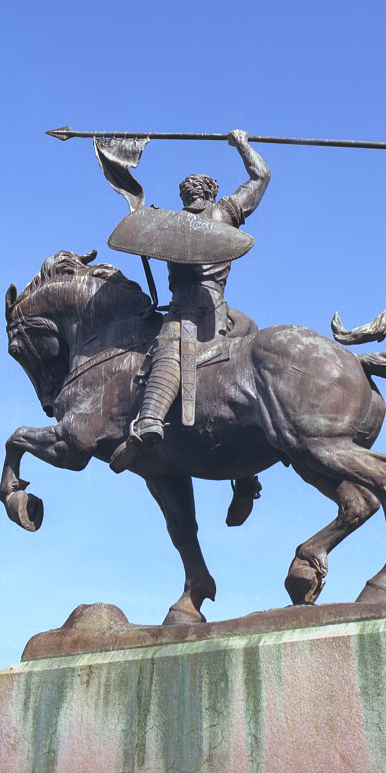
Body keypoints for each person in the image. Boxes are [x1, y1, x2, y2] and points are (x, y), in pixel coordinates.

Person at [107, 129, 270, 523]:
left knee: (168, 344)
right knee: (251, 355)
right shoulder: (226, 212)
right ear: (210, 194)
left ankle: (148, 419)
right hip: (226, 312)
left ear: (188, 197)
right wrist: (243, 144)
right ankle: (246, 479)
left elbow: (134, 219)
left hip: (189, 313)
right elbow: (260, 177)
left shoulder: (172, 224)